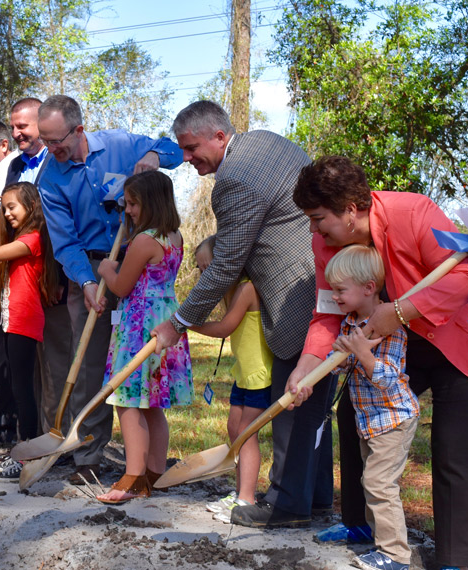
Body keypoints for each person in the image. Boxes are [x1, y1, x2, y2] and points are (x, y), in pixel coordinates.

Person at [289, 155, 468, 569]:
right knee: (355, 409)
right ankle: (360, 523)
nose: (313, 229)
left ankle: (457, 559)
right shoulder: (326, 244)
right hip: (409, 341)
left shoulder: (411, 212)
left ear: (350, 209)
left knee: (454, 447)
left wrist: (398, 312)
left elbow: (464, 277)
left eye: (318, 217)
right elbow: (327, 312)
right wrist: (306, 365)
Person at [150, 100, 331, 527]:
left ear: (218, 135)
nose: (188, 158)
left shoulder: (233, 178)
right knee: (314, 407)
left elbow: (228, 263)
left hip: (296, 296)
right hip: (319, 284)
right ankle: (315, 498)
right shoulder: (266, 143)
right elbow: (249, 229)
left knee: (293, 401)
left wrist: (179, 323)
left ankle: (286, 505)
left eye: (192, 148)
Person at [37, 94, 183, 484]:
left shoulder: (119, 145)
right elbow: (63, 241)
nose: (52, 150)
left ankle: (148, 463)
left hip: (139, 261)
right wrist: (86, 281)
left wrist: (155, 156)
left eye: (57, 141)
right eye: (46, 141)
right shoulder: (49, 177)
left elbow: (175, 151)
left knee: (137, 368)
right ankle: (87, 453)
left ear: (79, 129)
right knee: (88, 362)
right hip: (89, 266)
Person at [93, 170, 192, 503]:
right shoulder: (174, 236)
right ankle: (154, 473)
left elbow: (121, 286)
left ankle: (133, 476)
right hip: (165, 318)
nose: (129, 211)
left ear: (149, 203)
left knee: (128, 399)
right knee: (152, 404)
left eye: (133, 204)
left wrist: (107, 268)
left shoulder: (144, 240)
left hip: (139, 324)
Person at [323, 244, 419, 570]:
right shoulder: (350, 323)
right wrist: (335, 359)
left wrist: (364, 355)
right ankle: (375, 539)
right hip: (370, 419)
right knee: (370, 481)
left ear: (368, 288)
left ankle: (395, 556)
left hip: (393, 418)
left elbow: (390, 379)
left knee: (380, 484)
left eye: (340, 290)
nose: (335, 296)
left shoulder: (390, 327)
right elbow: (341, 364)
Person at [190, 236, 273, 523]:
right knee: (234, 429)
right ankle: (239, 491)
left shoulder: (247, 288)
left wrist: (186, 323)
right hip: (244, 374)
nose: (204, 275)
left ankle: (246, 498)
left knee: (247, 434)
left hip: (259, 374)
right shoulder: (232, 291)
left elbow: (225, 327)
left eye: (207, 267)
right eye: (201, 270)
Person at [4, 97, 72, 438]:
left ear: (42, 127)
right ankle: (30, 436)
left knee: (57, 364)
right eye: (13, 127)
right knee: (28, 371)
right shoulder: (15, 167)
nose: (17, 133)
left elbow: (61, 226)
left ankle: (59, 434)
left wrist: (58, 276)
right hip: (23, 286)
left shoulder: (60, 160)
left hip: (54, 278)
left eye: (23, 126)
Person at [0, 181, 55, 481]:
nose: (8, 214)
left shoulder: (33, 238)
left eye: (12, 208)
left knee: (24, 390)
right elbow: (13, 283)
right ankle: (27, 451)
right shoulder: (24, 240)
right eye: (5, 208)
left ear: (31, 207)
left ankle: (28, 455)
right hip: (15, 318)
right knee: (20, 386)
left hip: (25, 320)